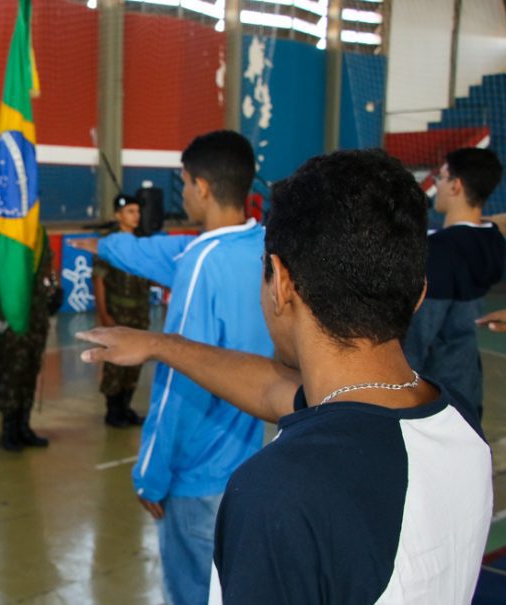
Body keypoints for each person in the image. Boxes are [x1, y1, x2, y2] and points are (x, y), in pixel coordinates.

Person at [78, 149, 492, 604]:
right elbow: (272, 388)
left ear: (281, 282)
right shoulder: (459, 427)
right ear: (418, 293)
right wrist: (162, 345)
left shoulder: (279, 494)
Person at [72, 130, 271, 605]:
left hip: (198, 475)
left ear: (201, 187)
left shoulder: (200, 265)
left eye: (183, 183)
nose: (181, 193)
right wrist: (104, 245)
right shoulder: (260, 247)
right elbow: (155, 253)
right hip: (246, 462)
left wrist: (149, 474)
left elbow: (175, 381)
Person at [404, 147, 504, 421]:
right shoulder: (491, 239)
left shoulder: (439, 252)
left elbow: (418, 337)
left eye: (442, 176)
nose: (437, 183)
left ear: (456, 185)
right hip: (468, 382)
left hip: (434, 394)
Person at [0, 224, 53, 451]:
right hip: (9, 311)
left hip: (35, 311)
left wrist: (50, 287)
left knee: (30, 367)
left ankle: (24, 426)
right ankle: (8, 429)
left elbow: (46, 263)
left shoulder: (37, 231)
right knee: (10, 370)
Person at [92, 194, 151, 428]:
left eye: (137, 211)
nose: (135, 216)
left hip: (139, 312)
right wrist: (104, 313)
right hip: (118, 313)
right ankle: (113, 411)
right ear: (118, 215)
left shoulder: (140, 242)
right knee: (115, 363)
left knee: (134, 362)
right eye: (130, 212)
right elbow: (98, 280)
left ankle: (126, 408)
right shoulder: (109, 243)